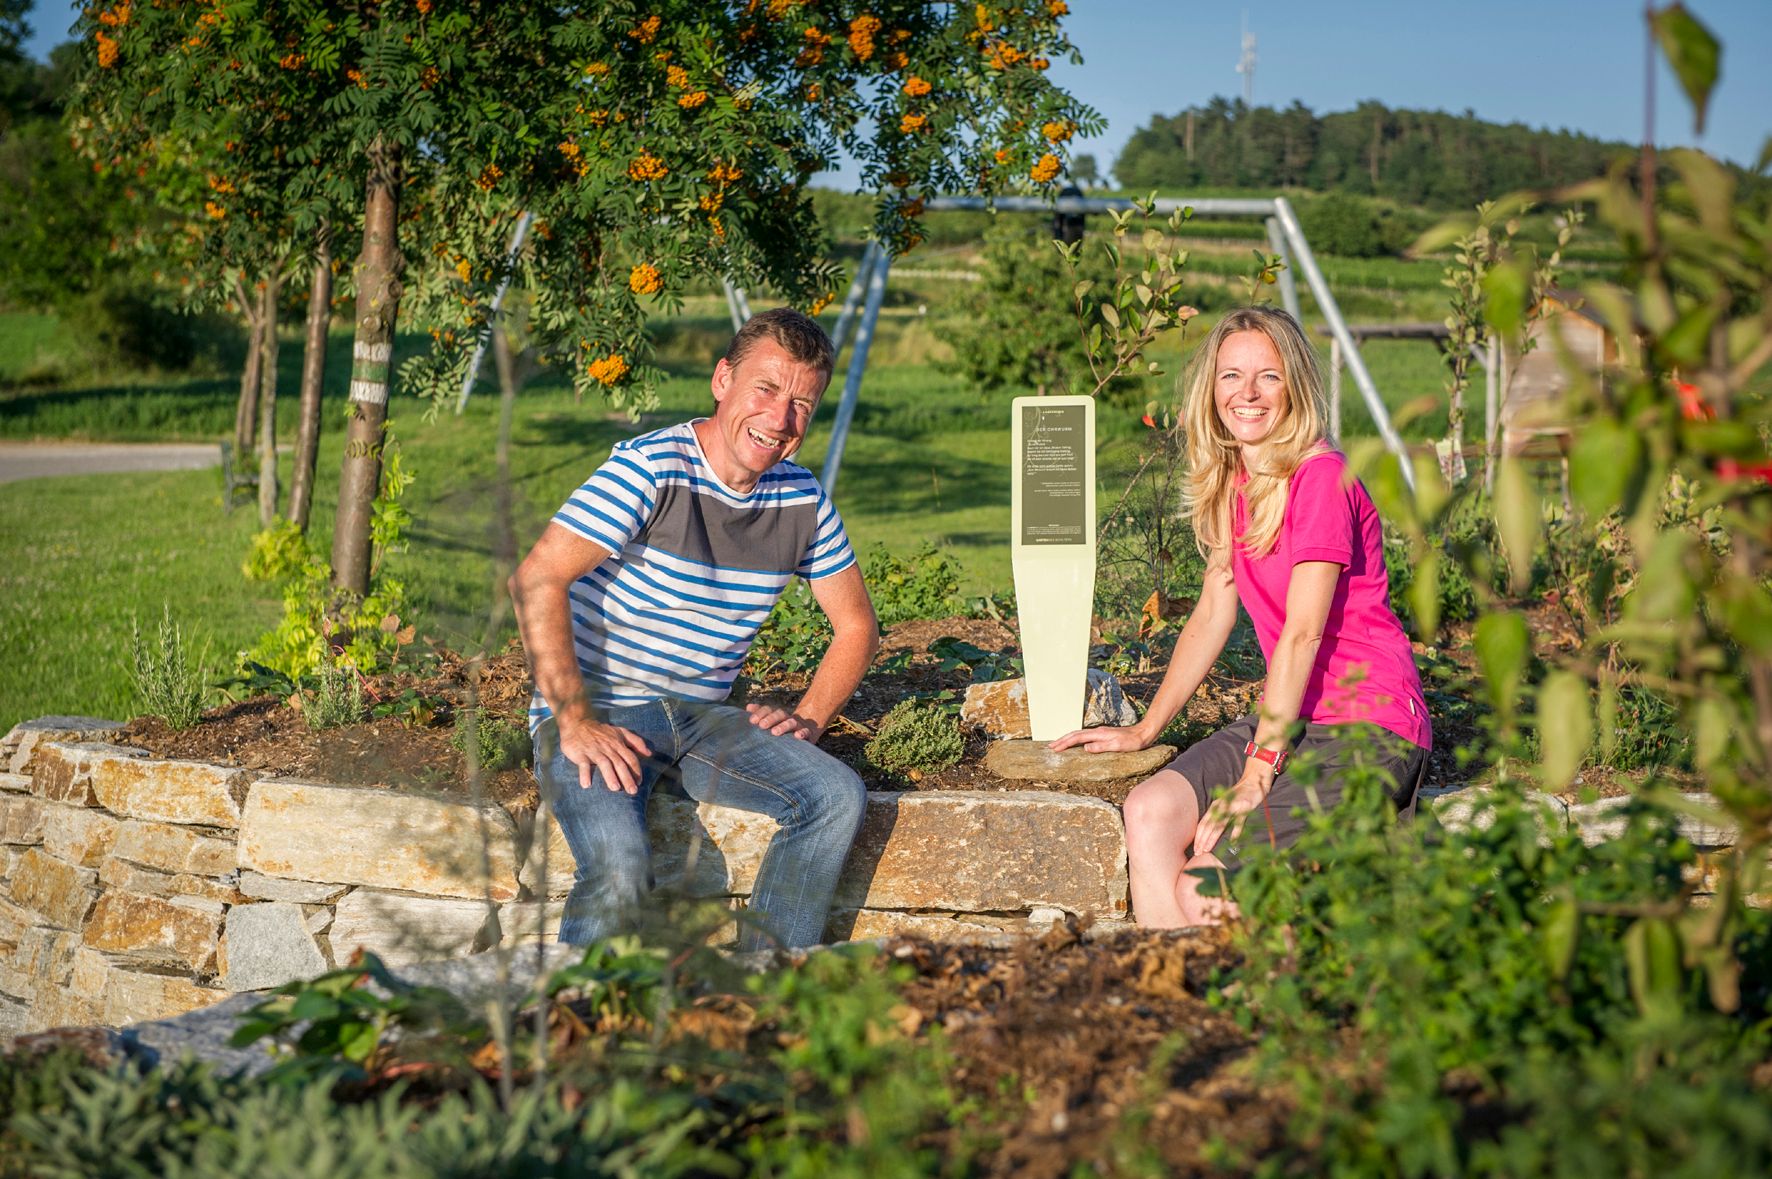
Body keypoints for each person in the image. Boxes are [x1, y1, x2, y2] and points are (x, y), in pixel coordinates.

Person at [509, 308, 879, 951]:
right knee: (621, 866)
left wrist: (811, 718)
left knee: (834, 795)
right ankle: (578, 1027)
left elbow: (856, 627)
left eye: (802, 404)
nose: (780, 419)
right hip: (601, 707)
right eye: (765, 390)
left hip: (702, 718)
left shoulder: (803, 498)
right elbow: (537, 580)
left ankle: (764, 990)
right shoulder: (651, 468)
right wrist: (573, 719)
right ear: (722, 380)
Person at [1052, 306, 1431, 926]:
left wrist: (1260, 770)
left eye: (1268, 377)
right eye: (1231, 376)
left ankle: (1254, 1015)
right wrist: (1146, 729)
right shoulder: (1237, 479)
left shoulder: (1321, 479)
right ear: (1211, 388)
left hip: (1368, 723)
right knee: (1149, 811)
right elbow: (1211, 611)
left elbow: (1304, 632)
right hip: (1296, 718)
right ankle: (1174, 1007)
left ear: (1297, 387)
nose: (1247, 394)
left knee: (1207, 890)